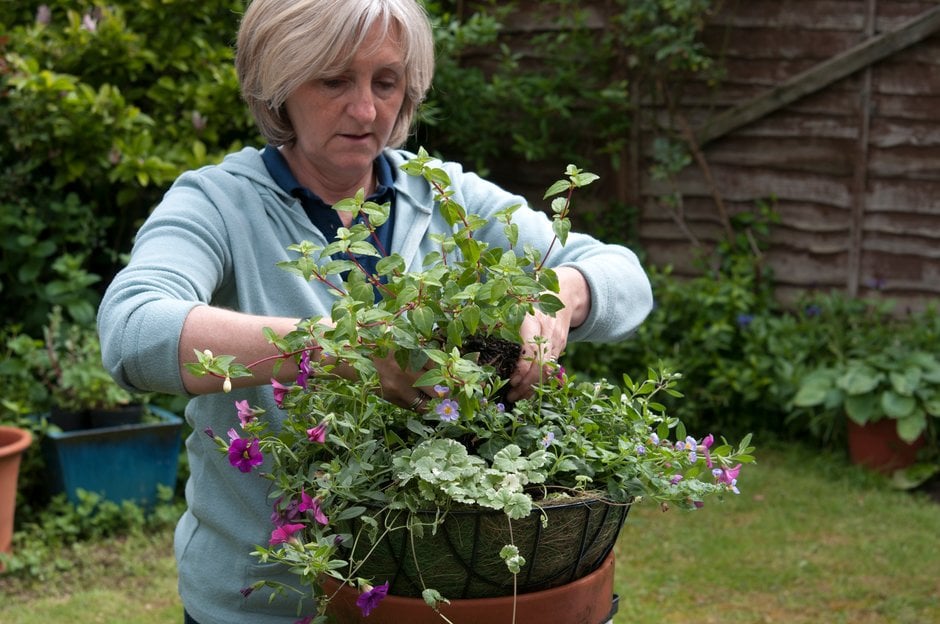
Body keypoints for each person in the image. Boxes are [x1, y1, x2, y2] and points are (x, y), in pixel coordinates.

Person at [97, 0, 653, 622]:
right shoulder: (218, 204)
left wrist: (559, 297)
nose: (366, 110)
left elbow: (622, 274)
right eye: (334, 80)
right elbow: (132, 331)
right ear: (279, 83)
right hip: (272, 602)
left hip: (447, 590)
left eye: (385, 82)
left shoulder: (443, 194)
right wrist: (343, 349)